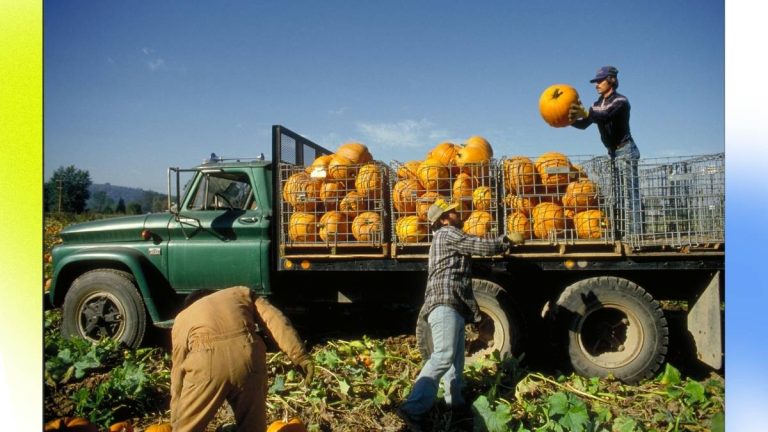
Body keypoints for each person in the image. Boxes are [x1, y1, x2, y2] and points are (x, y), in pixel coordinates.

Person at [397, 199, 523, 431]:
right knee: (444, 356)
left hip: (452, 306)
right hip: (445, 304)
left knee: (455, 362)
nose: (457, 214)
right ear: (444, 219)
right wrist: (504, 241)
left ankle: (455, 405)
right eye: (453, 212)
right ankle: (412, 408)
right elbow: (476, 245)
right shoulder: (447, 234)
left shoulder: (444, 237)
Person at [170, 286, 314, 432]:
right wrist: (300, 356)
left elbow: (178, 370)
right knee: (253, 427)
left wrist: (176, 420)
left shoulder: (182, 318)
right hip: (249, 358)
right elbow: (275, 321)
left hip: (206, 365)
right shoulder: (240, 293)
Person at [569, 65, 643, 238]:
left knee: (630, 193)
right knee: (616, 194)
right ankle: (621, 231)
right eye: (596, 81)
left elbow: (605, 115)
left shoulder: (620, 101)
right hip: (613, 153)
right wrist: (567, 119)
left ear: (611, 80)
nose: (596, 84)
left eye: (600, 81)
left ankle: (636, 234)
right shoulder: (597, 105)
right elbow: (586, 123)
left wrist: (587, 112)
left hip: (626, 150)